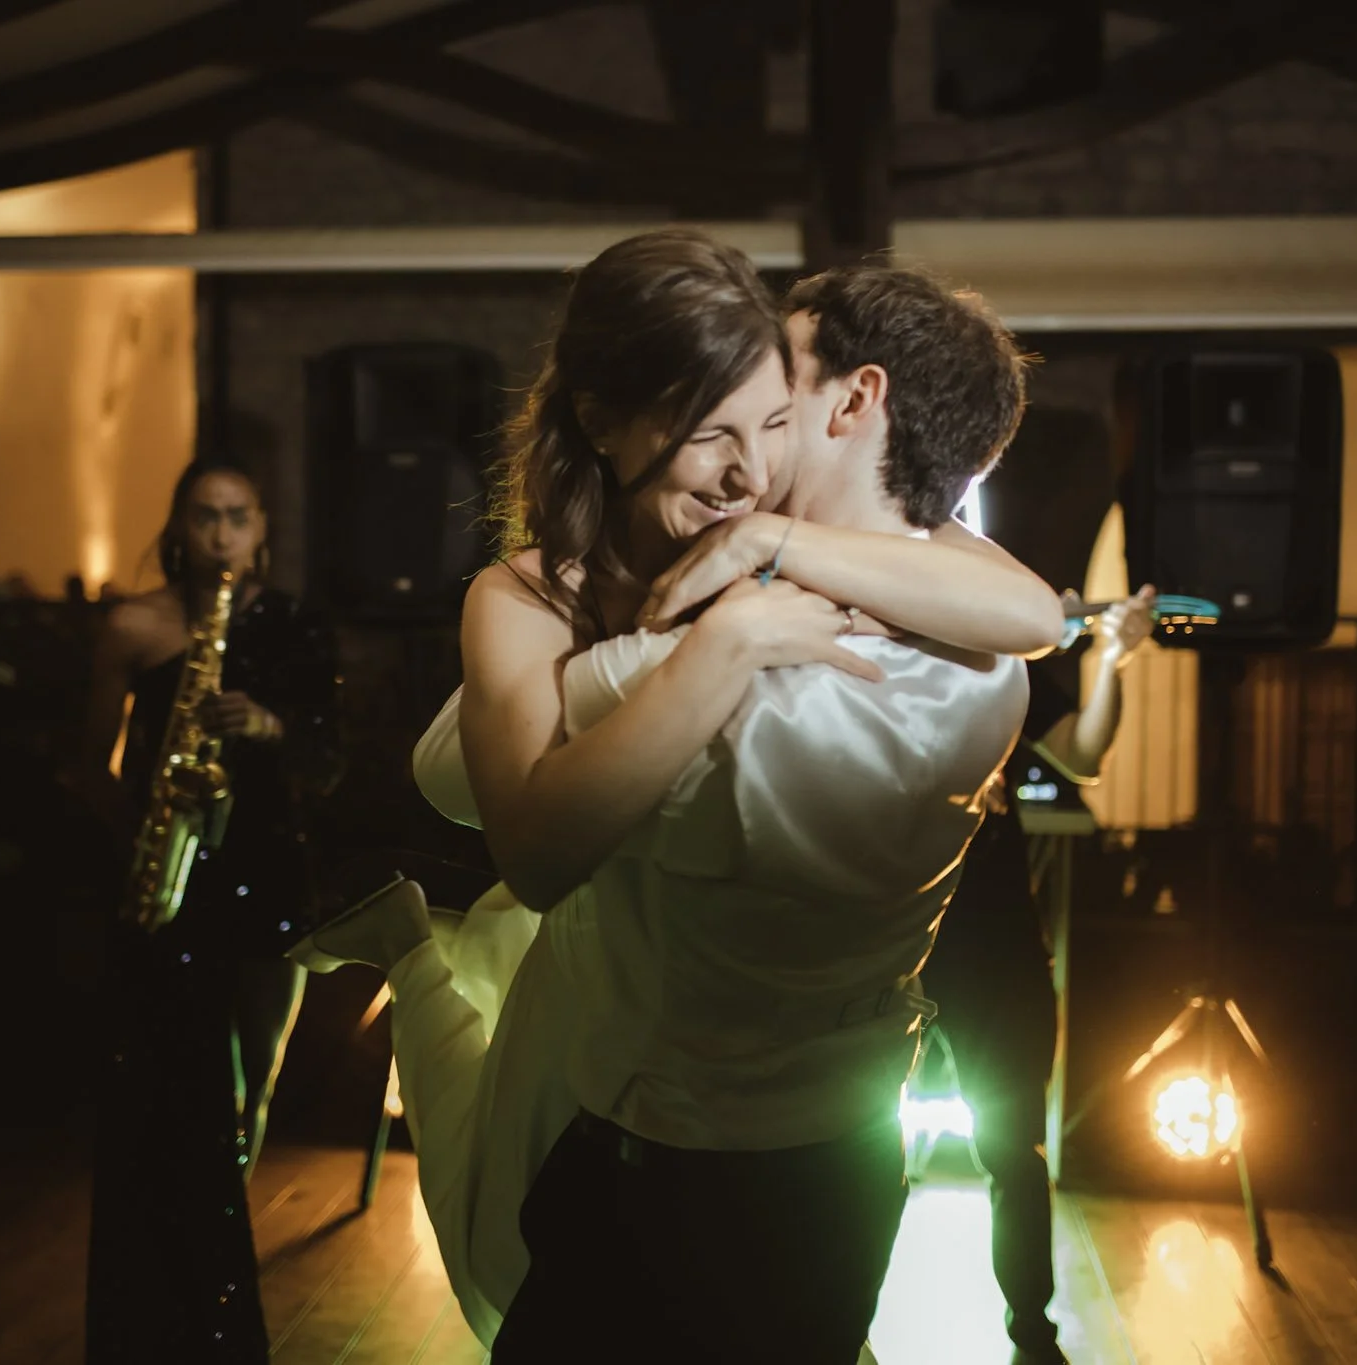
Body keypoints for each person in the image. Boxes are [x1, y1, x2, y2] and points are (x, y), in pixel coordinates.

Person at [299, 239, 1062, 1360]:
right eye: (714, 425)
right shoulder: (559, 605)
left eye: (768, 416)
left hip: (703, 1121)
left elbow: (1033, 613)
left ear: (856, 404)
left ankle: (414, 960)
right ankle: (418, 963)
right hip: (677, 1089)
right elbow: (1031, 617)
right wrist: (732, 630)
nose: (749, 467)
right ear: (606, 423)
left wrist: (755, 570)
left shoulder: (834, 613)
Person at [79, 460, 341, 1365]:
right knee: (188, 1088)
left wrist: (270, 727)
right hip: (172, 885)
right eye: (204, 516)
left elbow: (333, 754)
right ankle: (187, 1270)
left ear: (261, 527)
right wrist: (147, 847)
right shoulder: (131, 625)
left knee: (254, 1079)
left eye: (237, 516)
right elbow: (86, 763)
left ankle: (217, 1264)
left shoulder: (295, 626)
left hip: (269, 869)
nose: (221, 534)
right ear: (178, 525)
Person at [926, 585, 1155, 1365]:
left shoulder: (1003, 647)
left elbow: (1083, 755)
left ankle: (1034, 1334)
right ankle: (835, 1327)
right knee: (848, 1136)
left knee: (1013, 1144)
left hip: (990, 931)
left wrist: (1113, 659)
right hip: (885, 925)